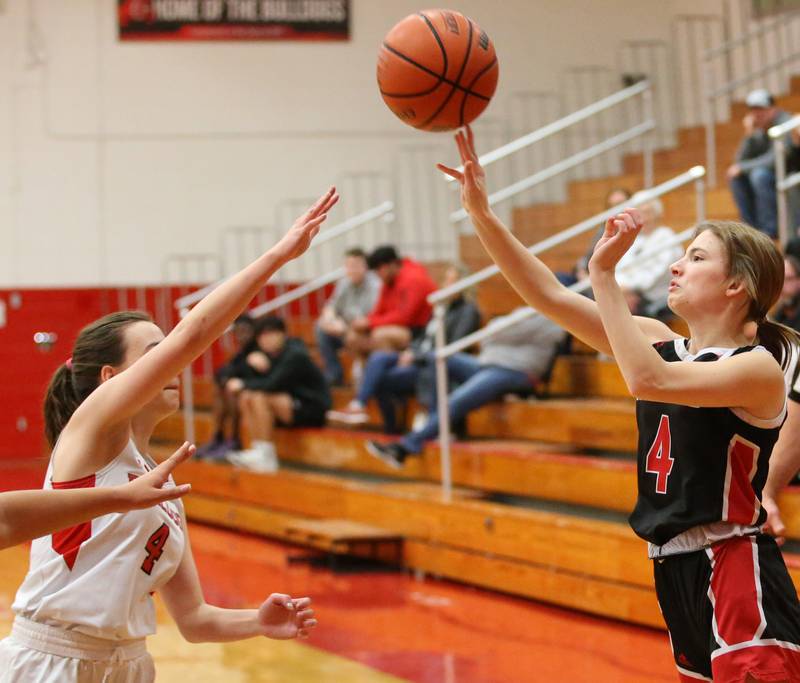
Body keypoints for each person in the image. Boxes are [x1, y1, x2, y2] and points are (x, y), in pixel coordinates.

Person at [439, 126, 800, 682]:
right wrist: (482, 214)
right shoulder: (659, 337)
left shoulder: (755, 368)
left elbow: (647, 380)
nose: (676, 266)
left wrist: (603, 275)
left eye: (696, 256)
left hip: (733, 563)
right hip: (672, 564)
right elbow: (548, 297)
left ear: (737, 286)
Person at [0, 188, 337, 681]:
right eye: (154, 353)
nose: (171, 362)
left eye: (166, 350)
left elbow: (196, 620)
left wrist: (257, 621)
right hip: (52, 660)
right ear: (111, 380)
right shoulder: (92, 430)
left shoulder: (157, 485)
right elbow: (193, 335)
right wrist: (278, 256)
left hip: (129, 664)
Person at [367, 308, 565, 467]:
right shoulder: (529, 311)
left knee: (457, 398)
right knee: (439, 358)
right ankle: (442, 426)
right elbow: (491, 333)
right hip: (487, 363)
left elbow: (496, 332)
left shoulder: (555, 318)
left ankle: (406, 446)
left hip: (516, 371)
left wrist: (500, 331)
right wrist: (500, 331)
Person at [327, 263, 481, 430]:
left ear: (464, 284)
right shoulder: (441, 307)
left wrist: (415, 356)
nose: (446, 284)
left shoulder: (468, 311)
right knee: (378, 358)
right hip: (417, 356)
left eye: (451, 280)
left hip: (430, 365)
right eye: (446, 279)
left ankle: (389, 428)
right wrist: (409, 351)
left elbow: (453, 348)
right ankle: (358, 405)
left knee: (380, 379)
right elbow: (422, 336)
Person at [0, 441, 193, 551]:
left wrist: (123, 497)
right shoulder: (91, 430)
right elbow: (6, 519)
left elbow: (193, 613)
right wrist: (123, 497)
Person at [227, 316, 331, 472]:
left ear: (282, 334)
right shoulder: (267, 355)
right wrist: (250, 363)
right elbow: (236, 376)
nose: (265, 340)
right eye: (261, 337)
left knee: (258, 396)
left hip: (311, 408)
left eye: (269, 335)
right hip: (289, 405)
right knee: (246, 396)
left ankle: (266, 456)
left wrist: (243, 383)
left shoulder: (295, 354)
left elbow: (271, 384)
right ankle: (256, 449)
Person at [346, 245, 437, 358]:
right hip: (401, 327)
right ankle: (368, 371)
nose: (377, 275)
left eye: (379, 270)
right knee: (353, 336)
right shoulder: (388, 281)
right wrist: (366, 321)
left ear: (390, 265)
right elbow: (380, 310)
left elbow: (405, 317)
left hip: (420, 331)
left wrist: (370, 322)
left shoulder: (413, 279)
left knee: (380, 335)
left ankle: (395, 369)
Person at [727, 88, 794, 238]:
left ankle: (769, 229)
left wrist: (743, 167)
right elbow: (738, 162)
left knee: (759, 175)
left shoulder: (785, 122)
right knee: (736, 177)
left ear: (773, 109)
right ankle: (748, 230)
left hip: (788, 173)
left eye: (761, 109)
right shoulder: (757, 128)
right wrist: (749, 134)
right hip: (770, 175)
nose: (757, 114)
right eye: (753, 110)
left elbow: (775, 159)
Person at [315, 247, 381, 386]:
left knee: (353, 335)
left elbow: (369, 318)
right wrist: (330, 320)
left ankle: (362, 373)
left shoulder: (375, 285)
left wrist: (344, 327)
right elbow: (331, 306)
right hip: (344, 328)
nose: (352, 270)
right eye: (349, 266)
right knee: (320, 327)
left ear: (366, 266)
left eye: (356, 265)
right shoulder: (345, 283)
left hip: (365, 331)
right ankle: (334, 374)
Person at [195, 314, 256, 461]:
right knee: (220, 389)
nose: (243, 336)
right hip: (243, 393)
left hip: (256, 394)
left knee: (231, 392)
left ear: (254, 332)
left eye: (246, 331)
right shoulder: (240, 354)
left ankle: (234, 439)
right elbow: (223, 371)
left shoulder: (257, 352)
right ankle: (218, 437)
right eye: (239, 332)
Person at [613, 197, 683, 317]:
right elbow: (620, 267)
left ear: (657, 215)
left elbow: (657, 275)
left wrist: (628, 288)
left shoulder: (667, 238)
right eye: (639, 213)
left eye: (647, 212)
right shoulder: (636, 239)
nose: (643, 218)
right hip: (628, 291)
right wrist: (622, 286)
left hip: (655, 296)